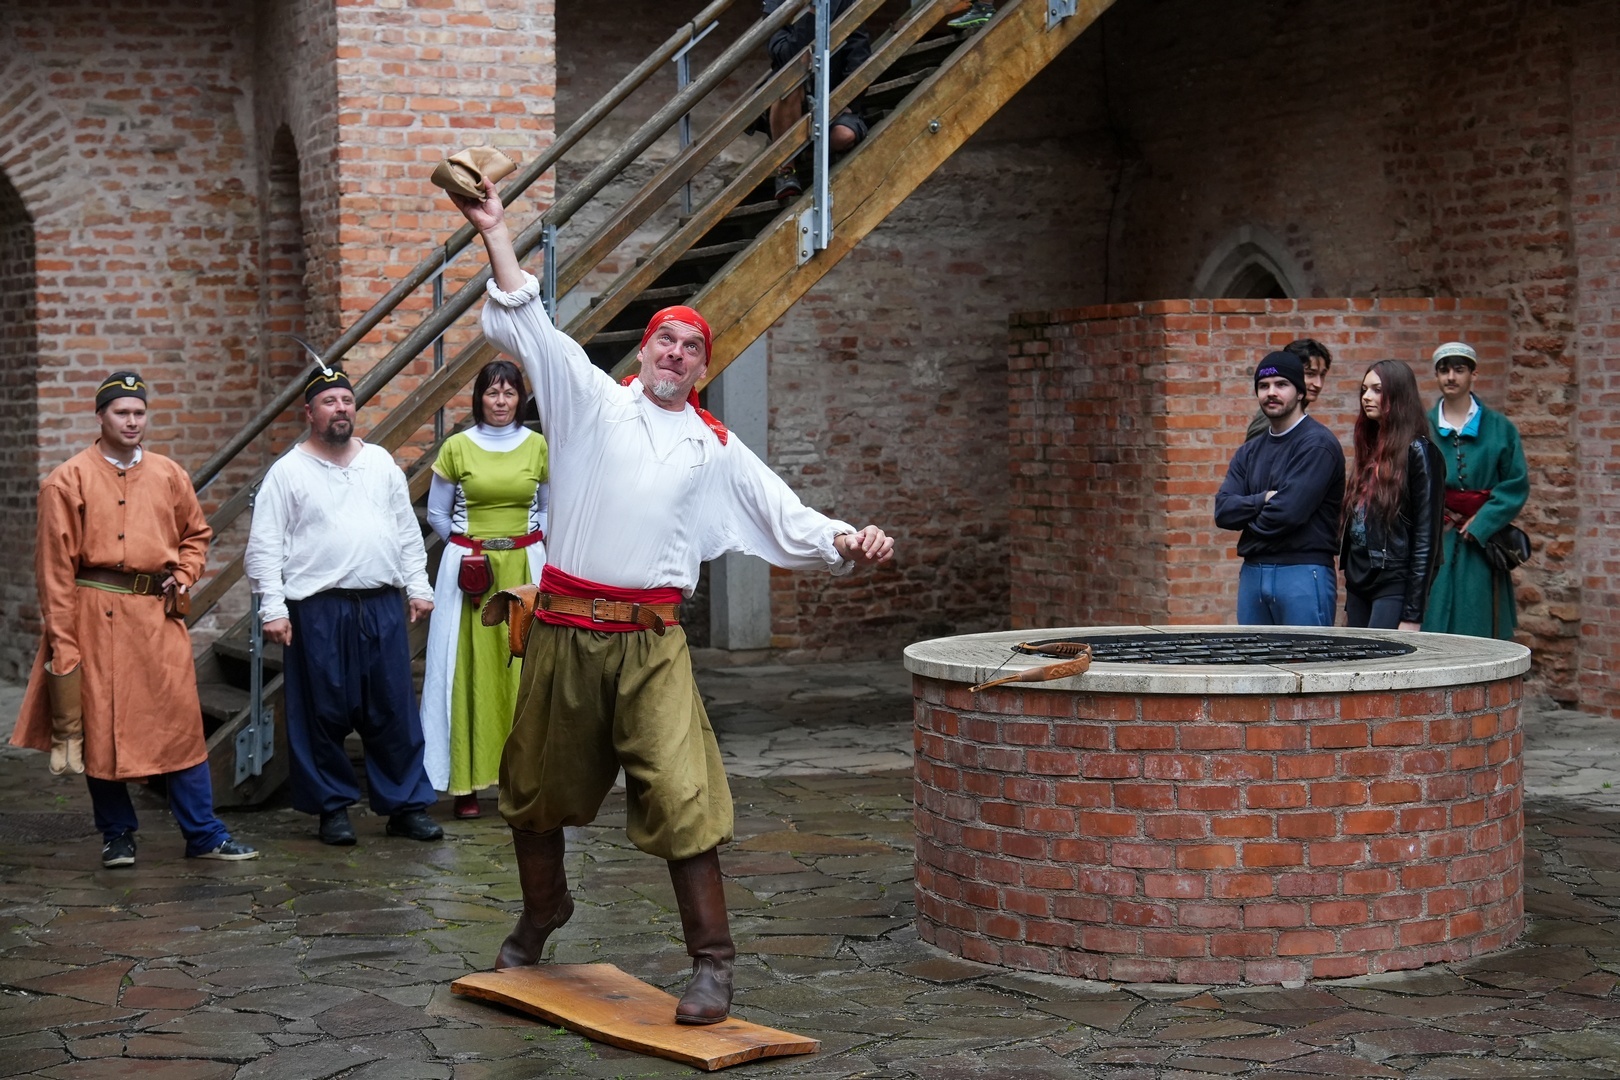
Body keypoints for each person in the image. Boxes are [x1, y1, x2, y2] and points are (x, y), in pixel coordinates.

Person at [450, 178, 894, 1025]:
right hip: (562, 630)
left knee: (685, 792)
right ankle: (544, 911)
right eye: (667, 340)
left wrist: (847, 540)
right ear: (645, 350)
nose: (677, 354)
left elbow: (785, 515)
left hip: (651, 644)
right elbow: (530, 325)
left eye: (693, 347)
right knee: (533, 789)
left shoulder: (712, 446)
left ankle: (713, 962)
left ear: (702, 368)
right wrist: (497, 231)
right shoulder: (589, 403)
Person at [10, 372, 258, 867]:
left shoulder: (169, 474)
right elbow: (54, 572)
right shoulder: (67, 480)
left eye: (139, 413)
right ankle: (117, 834)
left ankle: (204, 833)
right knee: (100, 725)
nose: (131, 421)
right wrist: (63, 643)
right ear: (100, 416)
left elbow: (196, 534)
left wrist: (184, 572)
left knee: (181, 723)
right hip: (92, 618)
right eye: (121, 412)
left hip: (156, 619)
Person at [244, 365, 444, 846]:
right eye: (329, 402)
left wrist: (418, 586)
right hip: (318, 609)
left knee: (393, 708)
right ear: (309, 413)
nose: (341, 409)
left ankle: (405, 806)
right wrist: (273, 608)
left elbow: (405, 530)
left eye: (347, 401)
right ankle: (332, 808)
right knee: (322, 711)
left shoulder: (379, 462)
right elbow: (265, 545)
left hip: (380, 605)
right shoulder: (288, 472)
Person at [422, 360, 550, 820]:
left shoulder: (537, 446)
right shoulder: (457, 447)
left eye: (509, 393)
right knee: (467, 669)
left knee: (525, 668)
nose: (500, 401)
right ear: (479, 398)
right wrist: (470, 548)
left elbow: (548, 509)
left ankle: (525, 780)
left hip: (524, 567)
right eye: (492, 393)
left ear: (520, 399)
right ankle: (467, 781)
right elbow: (437, 513)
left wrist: (530, 545)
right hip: (471, 574)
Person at [1215, 350, 1346, 626]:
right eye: (1263, 386)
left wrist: (1247, 521)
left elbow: (1288, 513)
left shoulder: (1318, 445)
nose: (1271, 392)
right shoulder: (1249, 452)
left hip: (1302, 572)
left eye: (1281, 384)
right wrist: (1263, 499)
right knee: (1252, 654)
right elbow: (1223, 511)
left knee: (1307, 653)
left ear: (1300, 392)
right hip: (1253, 573)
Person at [1420, 341, 1530, 639]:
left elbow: (1515, 483)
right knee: (1433, 619)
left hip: (1481, 543)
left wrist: (1483, 521)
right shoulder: (1422, 427)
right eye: (1444, 370)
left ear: (1473, 375)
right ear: (1436, 375)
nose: (1451, 377)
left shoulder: (1500, 428)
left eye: (1459, 370)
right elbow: (1411, 483)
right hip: (1437, 540)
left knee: (1480, 620)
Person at [1339, 361, 1445, 629]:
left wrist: (1412, 614)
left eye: (1377, 389)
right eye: (1364, 389)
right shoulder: (1370, 447)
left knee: (1381, 655)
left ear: (1398, 395)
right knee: (1355, 654)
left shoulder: (1420, 452)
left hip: (1394, 580)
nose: (1366, 397)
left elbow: (1427, 539)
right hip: (1359, 578)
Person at [764, 0, 870, 201]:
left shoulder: (843, 2)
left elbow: (859, 54)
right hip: (791, 102)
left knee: (844, 135)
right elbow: (785, 55)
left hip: (836, 98)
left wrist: (846, 100)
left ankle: (807, 151)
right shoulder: (775, 5)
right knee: (789, 84)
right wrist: (812, 14)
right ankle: (786, 170)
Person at [1245, 338, 1333, 442]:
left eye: (1322, 375)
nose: (1318, 384)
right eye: (1310, 374)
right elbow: (1254, 450)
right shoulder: (1275, 414)